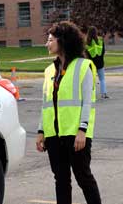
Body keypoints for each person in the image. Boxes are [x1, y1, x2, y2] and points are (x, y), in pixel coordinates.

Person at [36, 21, 102, 204]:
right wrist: (41, 131)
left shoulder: (84, 66)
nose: (46, 44)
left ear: (62, 41)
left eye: (50, 40)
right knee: (61, 180)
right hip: (54, 135)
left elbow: (87, 102)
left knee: (83, 178)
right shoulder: (49, 70)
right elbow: (46, 104)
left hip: (76, 134)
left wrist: (82, 130)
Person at [85, 26, 109, 99]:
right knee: (102, 79)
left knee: (91, 80)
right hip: (100, 63)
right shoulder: (100, 40)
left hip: (91, 64)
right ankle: (104, 94)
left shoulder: (86, 42)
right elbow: (103, 51)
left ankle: (91, 95)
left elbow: (86, 54)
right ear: (96, 32)